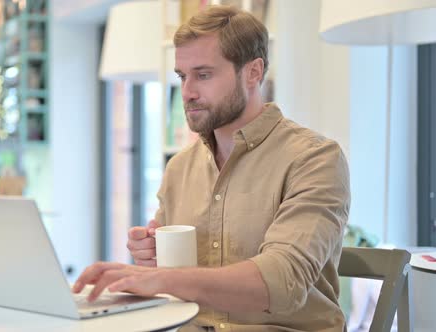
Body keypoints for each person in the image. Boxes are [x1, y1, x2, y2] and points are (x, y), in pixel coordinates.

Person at [73, 5, 350, 331]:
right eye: (182, 76)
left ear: (253, 72)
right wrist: (153, 258)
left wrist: (162, 277)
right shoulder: (180, 168)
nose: (187, 92)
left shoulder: (314, 159)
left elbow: (282, 282)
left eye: (203, 75)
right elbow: (179, 281)